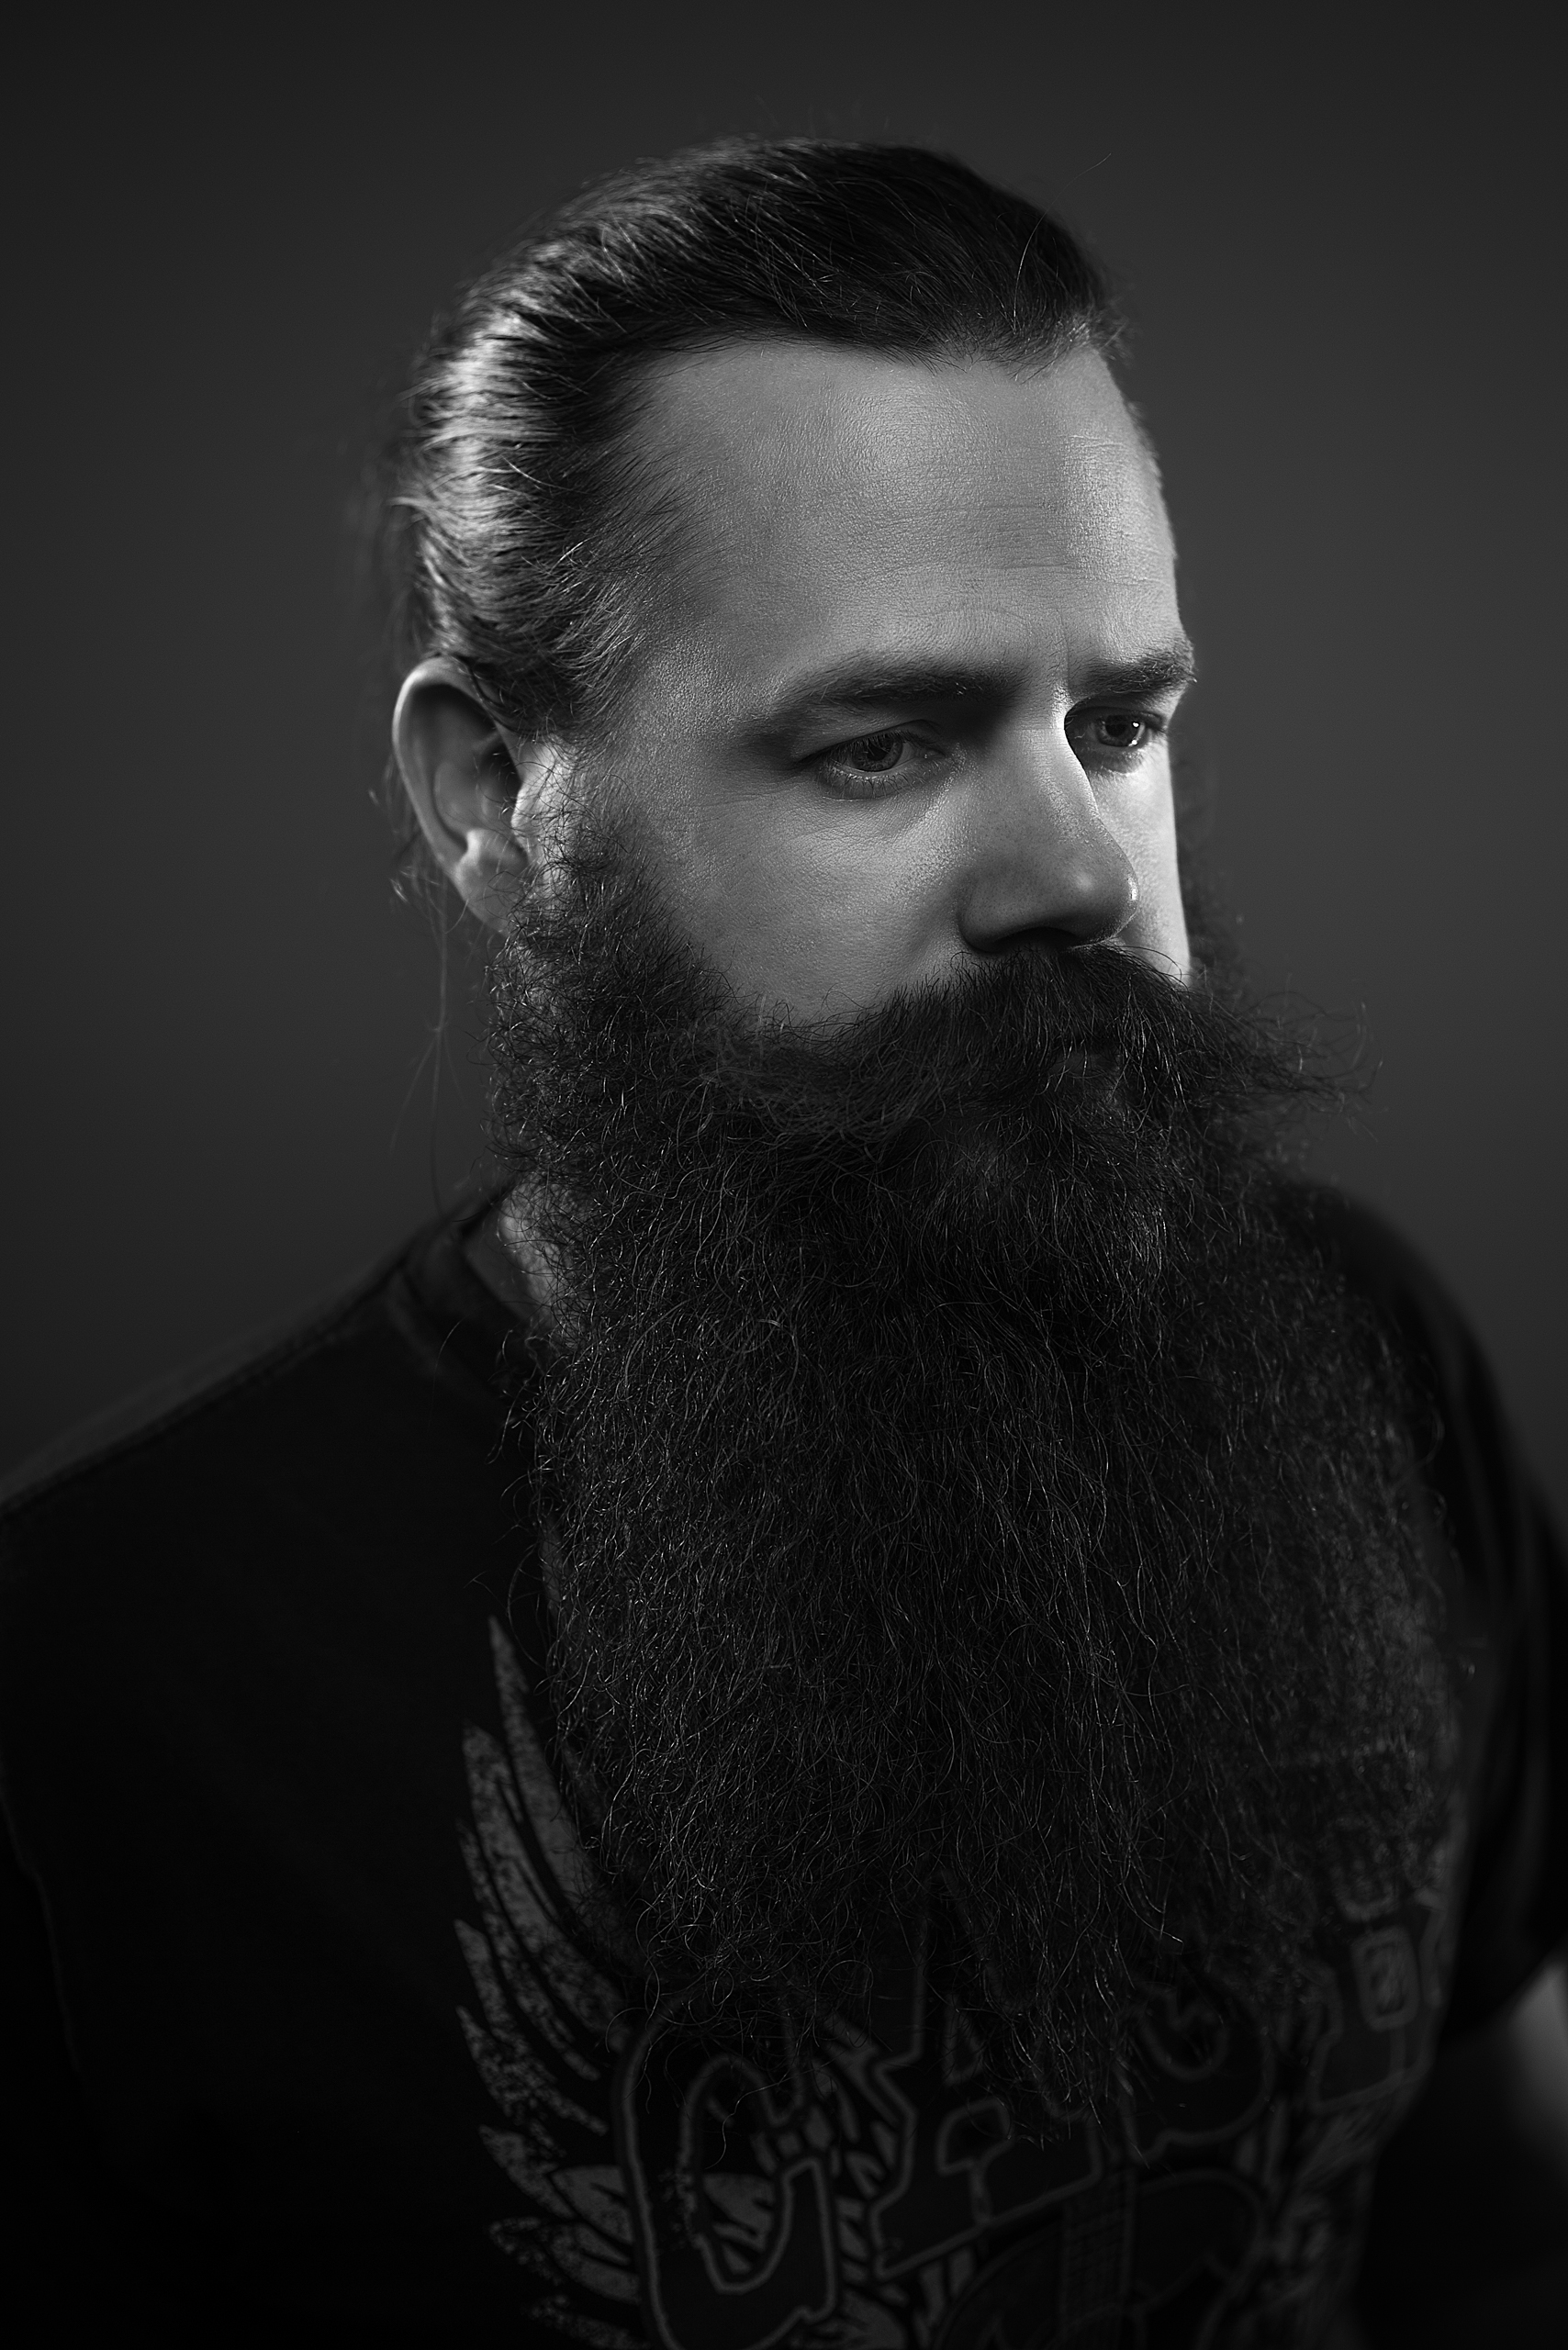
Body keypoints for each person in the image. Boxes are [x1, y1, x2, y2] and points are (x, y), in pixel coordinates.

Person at [2, 138, 1564, 2349]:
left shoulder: (1358, 1351)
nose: (1081, 876)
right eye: (878, 746)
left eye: (1117, 725)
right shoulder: (95, 1688)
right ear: (497, 801)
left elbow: (1501, 2219)